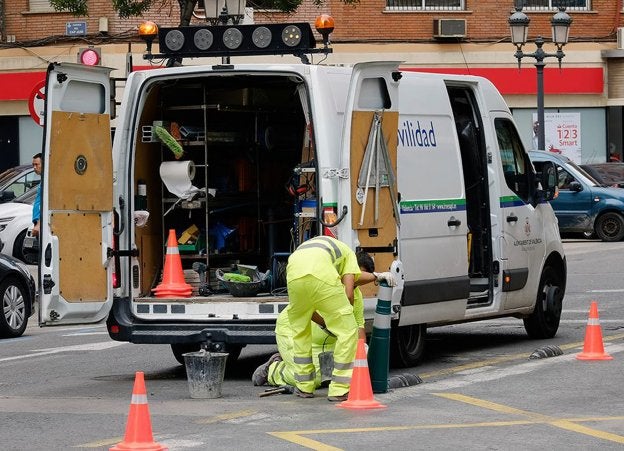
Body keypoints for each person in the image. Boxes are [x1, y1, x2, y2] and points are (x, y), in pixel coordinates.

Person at [252, 243, 396, 401]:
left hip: (294, 273)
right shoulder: (344, 262)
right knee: (347, 332)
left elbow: (358, 330)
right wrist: (337, 320)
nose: (355, 284)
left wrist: (363, 355)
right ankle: (275, 370)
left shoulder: (327, 260)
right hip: (288, 330)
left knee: (307, 345)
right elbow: (348, 297)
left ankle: (304, 387)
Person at [31, 153, 42, 238]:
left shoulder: (46, 182)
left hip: (40, 224)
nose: (34, 167)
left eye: (37, 164)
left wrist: (39, 224)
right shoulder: (42, 181)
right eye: (33, 165)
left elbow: (43, 203)